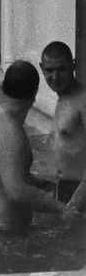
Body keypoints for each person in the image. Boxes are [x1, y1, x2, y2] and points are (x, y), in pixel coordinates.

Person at [0, 60, 75, 235]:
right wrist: (62, 209)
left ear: (4, 86)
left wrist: (35, 181)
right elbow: (16, 192)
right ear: (35, 93)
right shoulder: (12, 133)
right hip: (4, 228)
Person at [40, 41, 86, 212]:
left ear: (73, 65)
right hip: (65, 187)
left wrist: (75, 203)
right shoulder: (63, 99)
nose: (55, 76)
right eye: (49, 70)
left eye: (61, 69)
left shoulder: (82, 100)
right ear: (42, 68)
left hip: (80, 192)